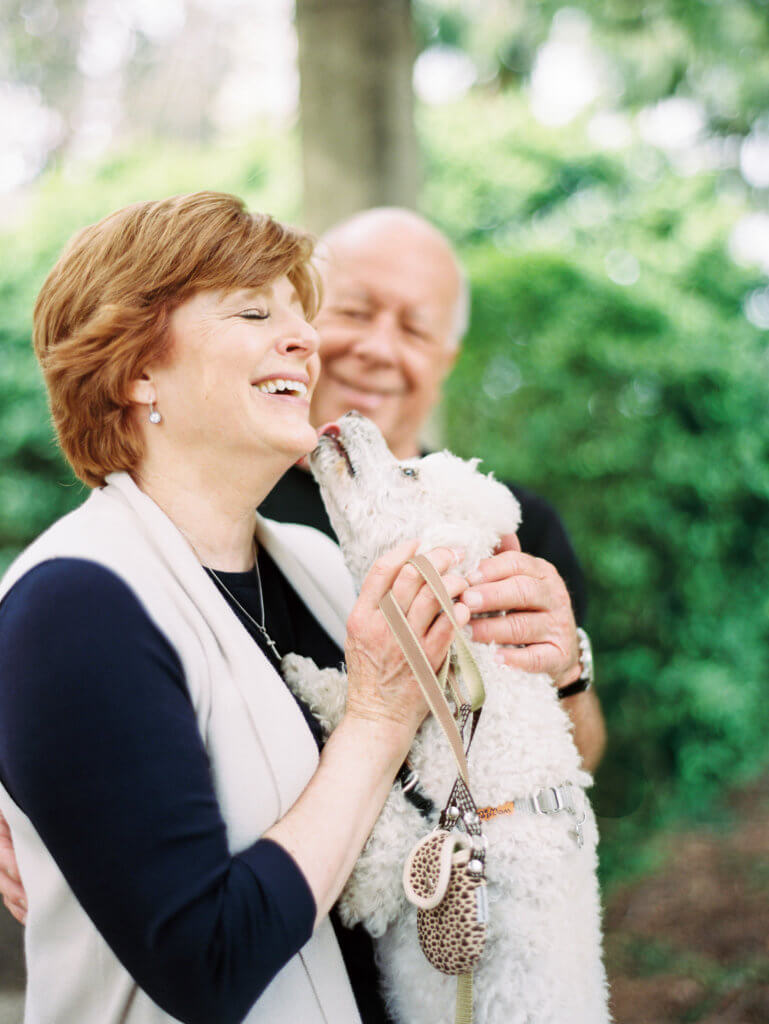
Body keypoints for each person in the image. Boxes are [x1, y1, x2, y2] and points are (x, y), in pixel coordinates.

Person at [0, 193, 554, 1024]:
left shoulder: (325, 570)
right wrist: (375, 717)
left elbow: (478, 806)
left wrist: (545, 658)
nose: (306, 337)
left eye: (301, 312)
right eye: (255, 311)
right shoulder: (73, 604)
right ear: (135, 369)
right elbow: (205, 965)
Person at [259, 207, 606, 770]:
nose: (378, 349)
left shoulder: (512, 527)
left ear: (447, 359)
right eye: (354, 311)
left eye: (415, 329)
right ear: (300, 322)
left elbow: (574, 766)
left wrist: (568, 672)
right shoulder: (227, 506)